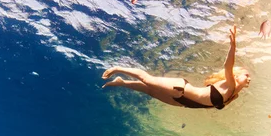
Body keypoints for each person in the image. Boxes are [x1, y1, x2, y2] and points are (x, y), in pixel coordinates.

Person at [102, 25, 251, 109]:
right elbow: (228, 66)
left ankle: (122, 82)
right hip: (181, 89)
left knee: (149, 91)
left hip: (183, 102)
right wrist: (233, 46)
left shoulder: (234, 95)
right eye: (247, 75)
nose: (249, 78)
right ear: (237, 76)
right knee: (147, 79)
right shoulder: (230, 85)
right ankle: (117, 68)